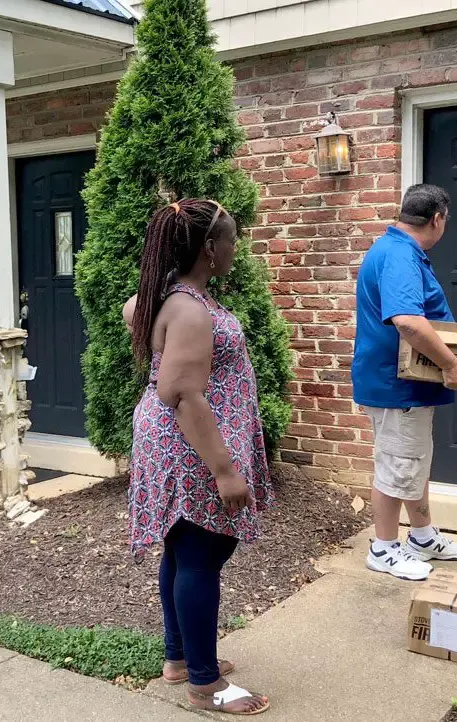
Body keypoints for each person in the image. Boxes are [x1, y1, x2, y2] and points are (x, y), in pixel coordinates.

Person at [123, 199, 272, 715]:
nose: (237, 248)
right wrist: (225, 471)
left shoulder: (165, 298)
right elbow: (181, 394)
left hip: (171, 443)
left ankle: (180, 659)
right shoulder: (189, 307)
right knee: (203, 557)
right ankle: (204, 686)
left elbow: (133, 314)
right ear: (210, 248)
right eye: (232, 240)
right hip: (190, 449)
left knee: (183, 551)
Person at [351, 184, 457, 582]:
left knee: (412, 462)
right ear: (437, 218)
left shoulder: (397, 250)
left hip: (406, 384)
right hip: (397, 386)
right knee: (396, 464)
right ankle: (384, 548)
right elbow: (407, 321)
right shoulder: (400, 255)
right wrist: (453, 365)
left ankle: (421, 536)